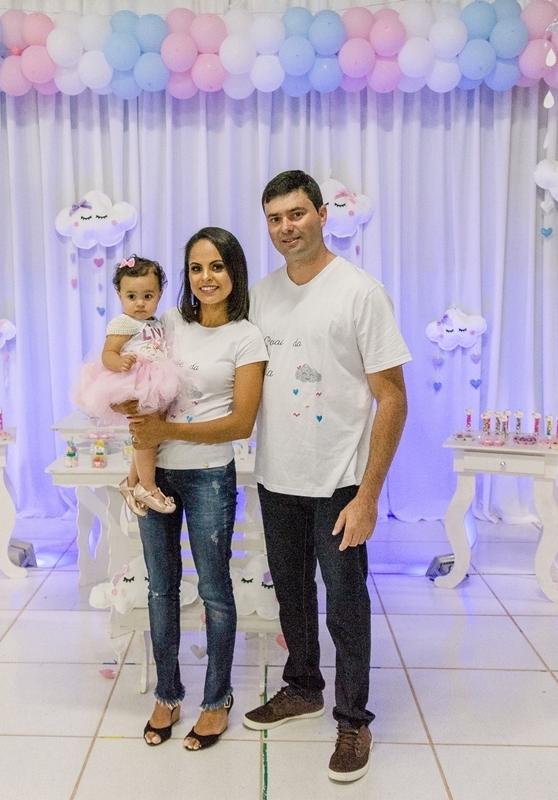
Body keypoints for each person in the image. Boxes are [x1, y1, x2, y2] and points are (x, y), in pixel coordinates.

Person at [243, 170, 410, 783]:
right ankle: (303, 686)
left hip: (340, 480)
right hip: (276, 476)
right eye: (275, 218)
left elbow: (393, 398)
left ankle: (353, 718)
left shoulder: (361, 293)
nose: (287, 227)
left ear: (322, 214)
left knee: (344, 603)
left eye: (297, 214)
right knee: (291, 594)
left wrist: (368, 495)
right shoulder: (260, 296)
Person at [126, 227, 268, 751]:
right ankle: (167, 695)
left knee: (214, 590)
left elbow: (241, 424)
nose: (206, 277)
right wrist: (137, 462)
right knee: (161, 587)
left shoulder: (246, 337)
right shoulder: (167, 323)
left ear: (234, 272)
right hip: (156, 474)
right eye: (195, 268)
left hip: (209, 473)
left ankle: (216, 701)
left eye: (216, 266)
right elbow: (142, 393)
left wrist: (166, 432)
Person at [72, 256, 186, 515]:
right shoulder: (124, 323)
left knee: (149, 434)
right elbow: (108, 353)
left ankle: (131, 482)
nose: (140, 303)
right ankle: (147, 486)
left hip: (157, 380)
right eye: (132, 296)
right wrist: (119, 362)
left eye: (148, 296)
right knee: (146, 434)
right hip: (135, 381)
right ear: (119, 295)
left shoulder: (155, 322)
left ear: (159, 294)